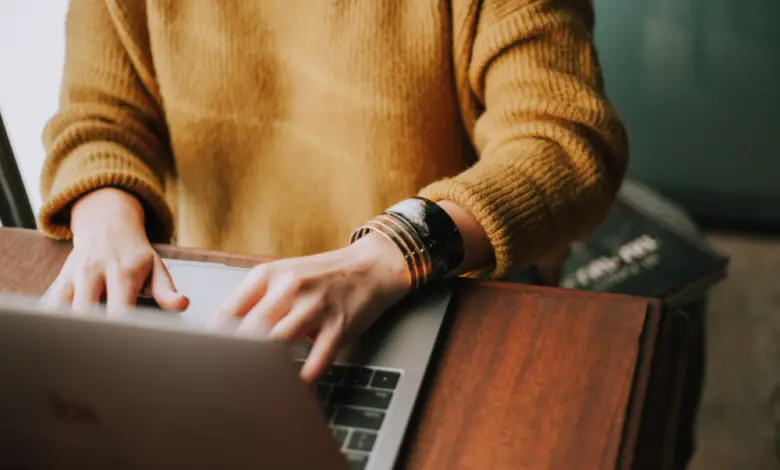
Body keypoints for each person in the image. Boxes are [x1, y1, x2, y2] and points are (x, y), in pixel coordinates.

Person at [38, 0, 628, 383]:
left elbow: (563, 144)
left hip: (437, 300)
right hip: (223, 312)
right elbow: (99, 118)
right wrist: (104, 218)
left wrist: (389, 253)